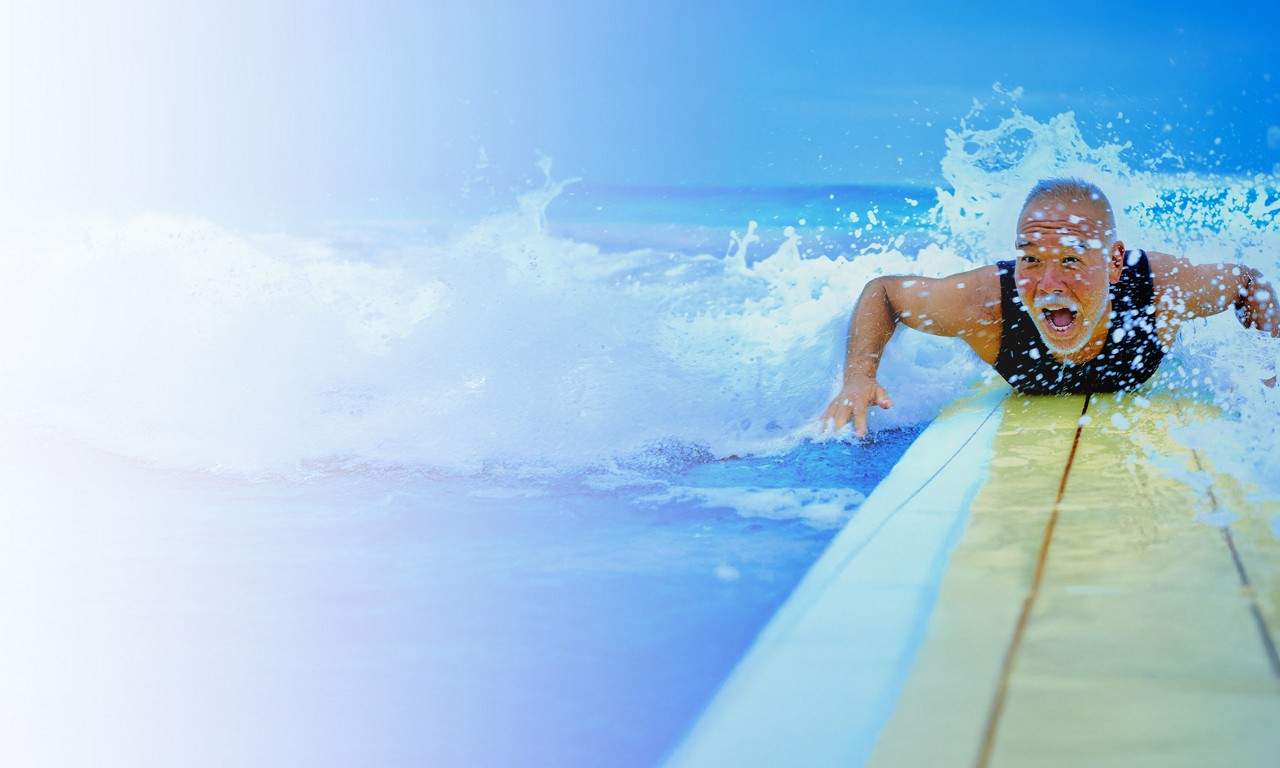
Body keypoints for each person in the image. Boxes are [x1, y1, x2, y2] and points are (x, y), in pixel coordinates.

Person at [821, 177, 1280, 437]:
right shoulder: (987, 306)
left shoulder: (1161, 292)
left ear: (1114, 262)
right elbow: (884, 293)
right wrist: (859, 376)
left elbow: (1248, 283)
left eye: (1072, 261)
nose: (1047, 284)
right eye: (1031, 259)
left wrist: (1268, 375)